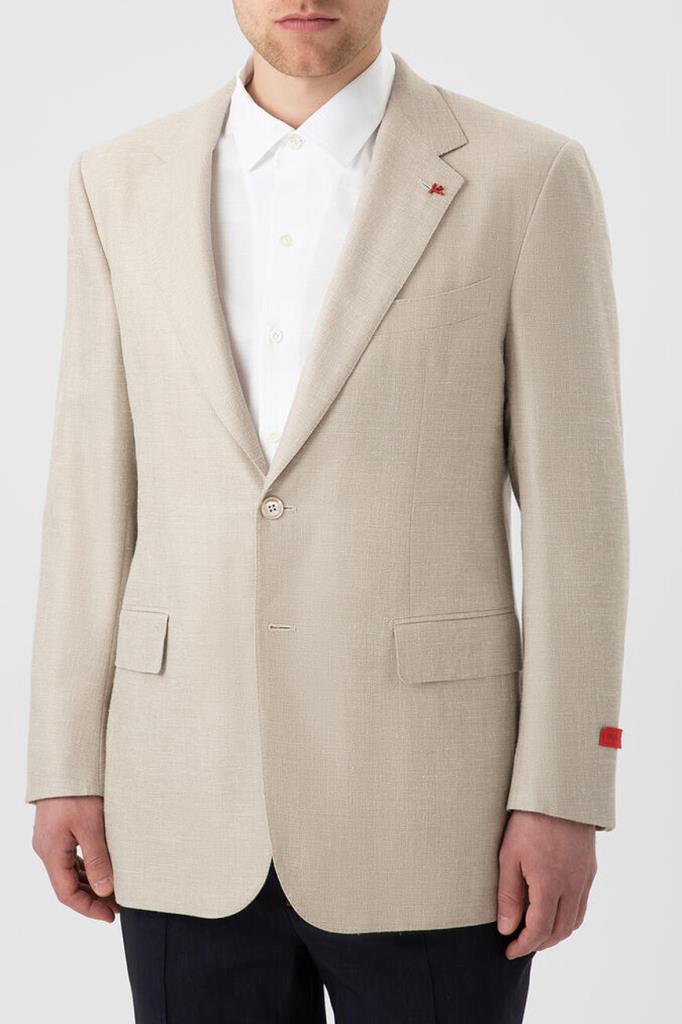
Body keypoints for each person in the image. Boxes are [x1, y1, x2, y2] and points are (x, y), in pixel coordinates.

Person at [25, 2, 629, 1021]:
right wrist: (62, 762)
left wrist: (564, 791)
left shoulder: (526, 177)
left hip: (436, 815)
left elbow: (581, 522)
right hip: (178, 795)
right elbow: (87, 493)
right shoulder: (115, 182)